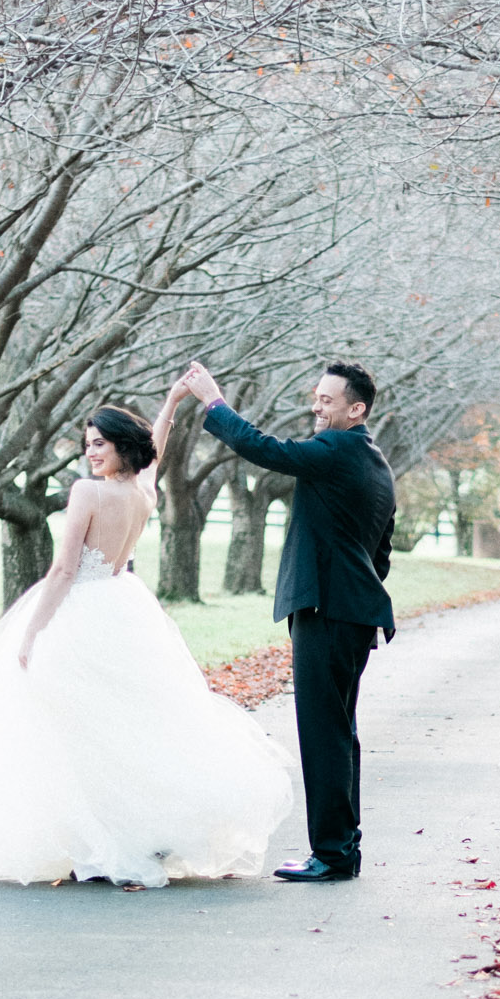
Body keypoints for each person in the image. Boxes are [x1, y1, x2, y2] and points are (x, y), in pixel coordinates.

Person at [0, 389, 293, 889]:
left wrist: (31, 631)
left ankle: (100, 840)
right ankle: (123, 835)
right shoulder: (143, 492)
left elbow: (65, 568)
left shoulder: (87, 494)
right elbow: (155, 446)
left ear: (121, 447)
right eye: (87, 444)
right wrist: (175, 400)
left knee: (80, 728)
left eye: (100, 444)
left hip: (82, 613)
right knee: (127, 726)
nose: (90, 452)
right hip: (126, 606)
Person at [180, 358, 395, 883]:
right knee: (339, 734)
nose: (316, 406)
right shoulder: (374, 462)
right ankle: (341, 850)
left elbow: (265, 450)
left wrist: (213, 401)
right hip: (353, 611)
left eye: (326, 400)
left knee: (324, 734)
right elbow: (381, 551)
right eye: (316, 396)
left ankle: (332, 854)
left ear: (356, 409)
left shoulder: (338, 449)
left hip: (327, 610)